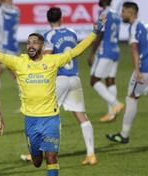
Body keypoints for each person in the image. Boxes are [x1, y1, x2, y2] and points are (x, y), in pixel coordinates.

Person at [0, 15, 105, 176]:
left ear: (42, 47)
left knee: (51, 157)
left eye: (35, 43)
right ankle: (35, 155)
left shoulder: (52, 61)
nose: (31, 45)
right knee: (37, 161)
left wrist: (94, 33)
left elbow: (76, 51)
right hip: (31, 120)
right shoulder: (20, 62)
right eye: (29, 43)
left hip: (51, 119)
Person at [22, 7, 97, 165]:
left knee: (50, 115)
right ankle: (91, 154)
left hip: (59, 79)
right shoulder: (72, 32)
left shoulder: (49, 35)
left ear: (48, 20)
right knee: (81, 116)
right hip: (74, 78)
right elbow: (76, 51)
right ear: (61, 18)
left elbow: (46, 59)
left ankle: (41, 151)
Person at [106, 2, 148, 144]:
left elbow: (134, 49)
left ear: (131, 13)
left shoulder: (135, 26)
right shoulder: (145, 25)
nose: (121, 14)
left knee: (131, 98)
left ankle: (124, 135)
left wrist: (137, 71)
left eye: (123, 11)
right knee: (132, 96)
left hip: (144, 69)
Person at [88, 0, 123, 122]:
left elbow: (99, 34)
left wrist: (92, 53)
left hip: (105, 51)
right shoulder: (116, 14)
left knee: (94, 80)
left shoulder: (104, 14)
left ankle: (115, 103)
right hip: (115, 50)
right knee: (110, 81)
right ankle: (112, 114)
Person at [0, 0, 20, 97]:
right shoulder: (15, 10)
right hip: (11, 47)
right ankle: (29, 100)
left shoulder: (7, 9)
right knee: (19, 76)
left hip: (6, 48)